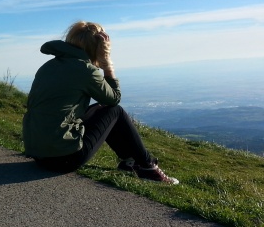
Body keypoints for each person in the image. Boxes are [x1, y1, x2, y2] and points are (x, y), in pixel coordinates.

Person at [22, 21, 179, 185]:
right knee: (115, 110)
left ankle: (130, 162)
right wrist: (107, 64)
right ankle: (148, 167)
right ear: (97, 48)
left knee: (101, 109)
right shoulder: (85, 70)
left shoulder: (48, 66)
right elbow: (114, 98)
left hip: (39, 154)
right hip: (64, 158)